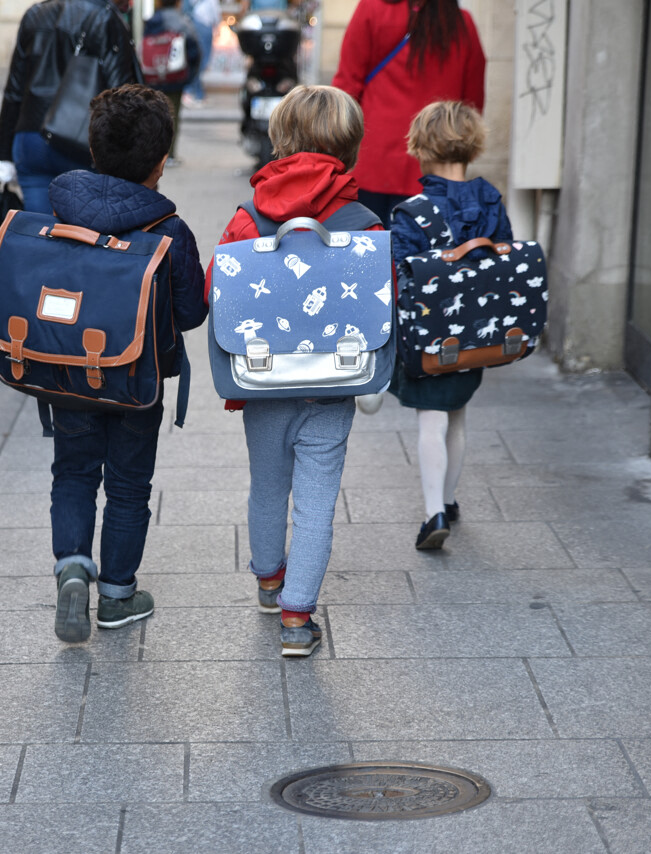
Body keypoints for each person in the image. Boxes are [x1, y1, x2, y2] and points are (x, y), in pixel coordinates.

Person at [208, 85, 384, 657]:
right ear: (350, 145)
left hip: (263, 381)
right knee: (316, 500)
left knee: (267, 484)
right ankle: (296, 619)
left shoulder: (248, 215)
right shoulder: (363, 220)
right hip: (334, 382)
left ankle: (268, 580)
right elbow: (386, 297)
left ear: (279, 139)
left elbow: (218, 290)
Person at [44, 85, 207, 642]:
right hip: (138, 382)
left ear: (93, 150)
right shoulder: (170, 230)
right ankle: (117, 596)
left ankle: (71, 567)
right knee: (129, 486)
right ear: (161, 162)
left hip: (68, 374)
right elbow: (191, 314)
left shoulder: (58, 208)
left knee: (73, 472)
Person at [390, 100, 511, 550]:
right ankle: (450, 497)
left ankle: (432, 512)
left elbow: (399, 279)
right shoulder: (491, 201)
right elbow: (506, 259)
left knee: (431, 420)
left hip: (428, 336)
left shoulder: (411, 212)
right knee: (457, 414)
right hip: (477, 332)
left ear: (421, 144)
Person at [331, 0, 485, 224]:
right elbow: (471, 106)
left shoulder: (372, 10)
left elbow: (347, 87)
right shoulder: (462, 24)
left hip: (373, 159)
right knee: (426, 255)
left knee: (370, 251)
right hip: (436, 164)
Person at [0, 0, 142, 214]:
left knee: (39, 233)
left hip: (31, 138)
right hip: (79, 141)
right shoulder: (106, 18)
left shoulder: (34, 14)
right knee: (81, 236)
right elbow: (122, 96)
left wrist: (4, 152)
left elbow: (14, 90)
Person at [143, 0, 201, 162]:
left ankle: (154, 154)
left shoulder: (151, 21)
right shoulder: (182, 22)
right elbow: (194, 51)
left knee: (154, 115)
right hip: (175, 77)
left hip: (152, 76)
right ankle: (169, 155)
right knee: (172, 116)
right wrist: (189, 76)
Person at [182, 0, 219, 106]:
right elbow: (215, 11)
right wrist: (217, 24)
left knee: (195, 60)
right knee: (201, 61)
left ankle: (196, 93)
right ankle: (193, 92)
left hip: (192, 24)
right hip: (204, 25)